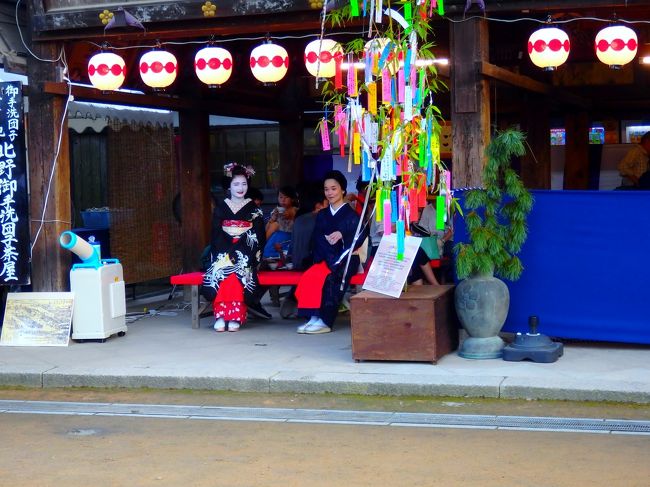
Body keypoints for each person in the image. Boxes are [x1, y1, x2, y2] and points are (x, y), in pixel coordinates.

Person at [294, 170, 365, 334]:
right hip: (326, 257)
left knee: (331, 278)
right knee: (310, 276)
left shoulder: (352, 215)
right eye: (327, 189)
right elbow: (317, 238)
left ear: (343, 190)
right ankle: (313, 316)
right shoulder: (323, 215)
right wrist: (325, 256)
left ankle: (325, 320)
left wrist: (342, 234)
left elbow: (360, 234)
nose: (330, 193)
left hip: (346, 258)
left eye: (334, 188)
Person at [201, 163, 265, 332]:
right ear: (229, 186)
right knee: (222, 271)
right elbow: (216, 232)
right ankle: (221, 315)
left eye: (244, 183)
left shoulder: (254, 209)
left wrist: (242, 251)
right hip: (224, 251)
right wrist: (227, 251)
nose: (240, 188)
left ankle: (234, 316)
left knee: (239, 272)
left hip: (246, 252)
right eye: (236, 184)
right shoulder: (221, 207)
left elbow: (258, 234)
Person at [263, 186, 298, 259]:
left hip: (289, 240)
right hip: (275, 240)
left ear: (292, 199)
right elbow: (266, 229)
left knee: (275, 226)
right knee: (274, 225)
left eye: (286, 197)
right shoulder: (276, 210)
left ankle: (262, 246)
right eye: (281, 197)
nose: (283, 200)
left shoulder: (295, 210)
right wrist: (272, 219)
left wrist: (291, 215)